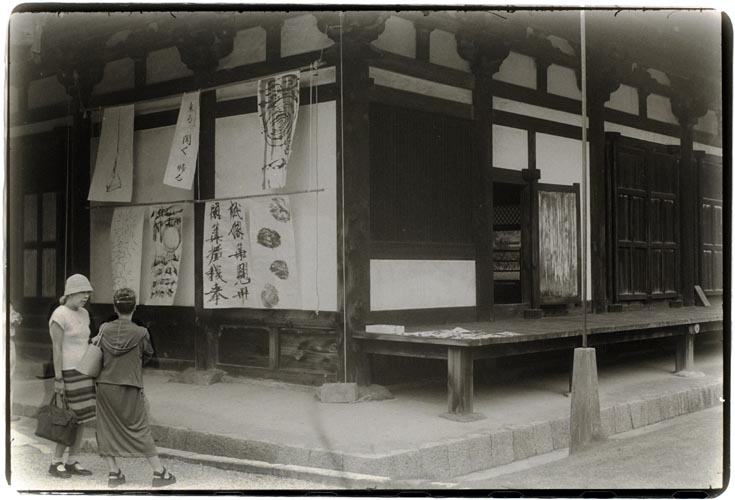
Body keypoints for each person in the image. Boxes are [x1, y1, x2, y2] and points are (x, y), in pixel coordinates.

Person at [94, 287, 176, 488]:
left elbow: (98, 350)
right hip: (130, 384)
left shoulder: (104, 328)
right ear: (135, 307)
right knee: (139, 427)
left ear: (115, 307)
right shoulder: (141, 332)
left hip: (105, 385)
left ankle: (114, 473)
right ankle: (159, 472)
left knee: (105, 428)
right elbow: (148, 354)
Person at [47, 274, 97, 478]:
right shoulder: (59, 315)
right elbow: (56, 349)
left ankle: (72, 460)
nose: (86, 296)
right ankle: (55, 462)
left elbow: (84, 340)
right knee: (68, 419)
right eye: (82, 292)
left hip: (85, 371)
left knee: (82, 418)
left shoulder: (84, 314)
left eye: (88, 292)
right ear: (71, 292)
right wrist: (58, 379)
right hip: (67, 373)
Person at [9, 303, 22, 421]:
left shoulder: (8, 305)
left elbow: (16, 317)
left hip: (8, 341)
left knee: (9, 378)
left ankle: (8, 412)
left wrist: (16, 317)